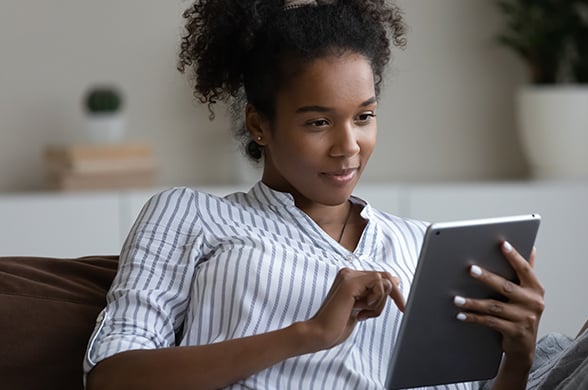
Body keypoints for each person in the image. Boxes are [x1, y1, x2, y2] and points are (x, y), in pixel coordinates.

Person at [83, 1, 545, 389]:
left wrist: (518, 357)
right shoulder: (191, 215)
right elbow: (111, 376)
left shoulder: (425, 245)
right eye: (318, 123)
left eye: (363, 117)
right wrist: (307, 334)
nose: (349, 147)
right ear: (259, 124)